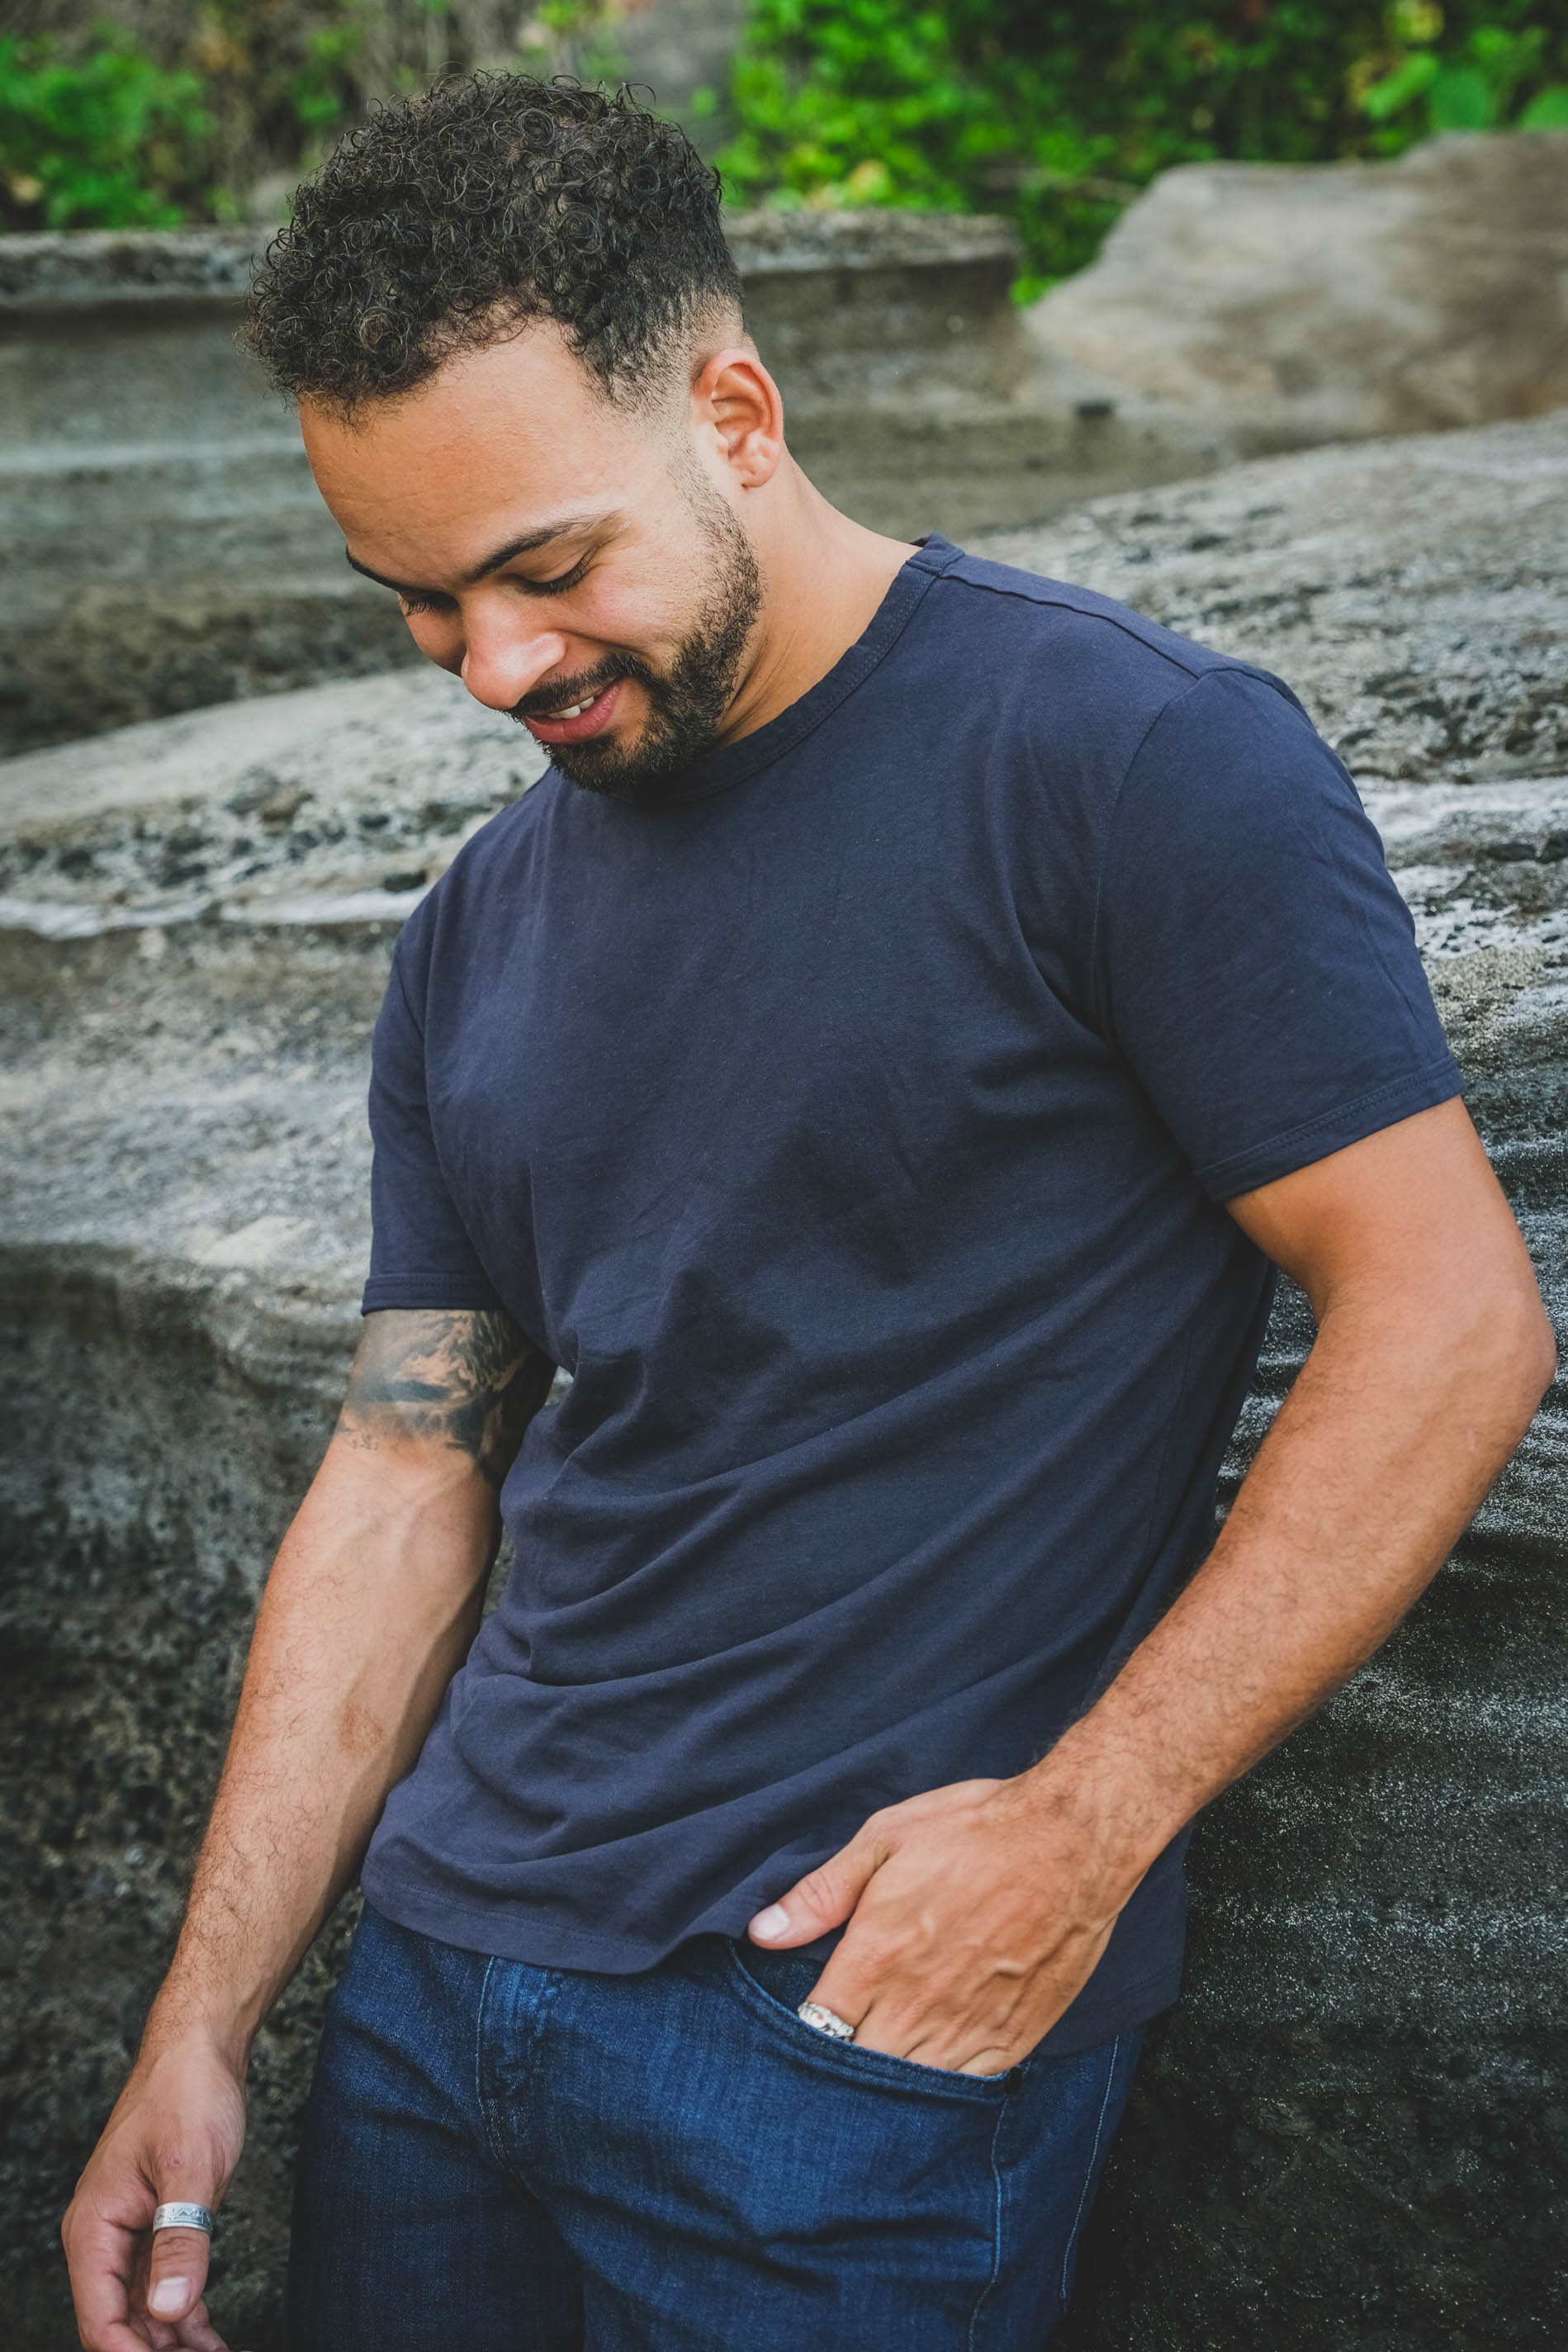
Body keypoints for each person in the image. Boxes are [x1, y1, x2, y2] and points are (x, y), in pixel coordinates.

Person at [61, 74, 1553, 2352]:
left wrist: (1079, 1829)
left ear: (735, 410)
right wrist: (202, 2022)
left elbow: (1445, 1316)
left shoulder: (1124, 758)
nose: (496, 667)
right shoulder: (473, 922)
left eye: (549, 567)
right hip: (437, 2000)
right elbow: (402, 1461)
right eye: (418, 606)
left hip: (839, 2049)